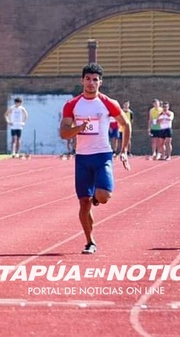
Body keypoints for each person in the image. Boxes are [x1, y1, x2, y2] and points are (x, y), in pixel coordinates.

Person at [59, 63, 131, 255]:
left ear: (101, 82)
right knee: (84, 203)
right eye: (88, 79)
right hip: (82, 158)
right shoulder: (72, 105)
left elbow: (126, 124)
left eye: (95, 80)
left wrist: (123, 150)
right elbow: (64, 133)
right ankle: (90, 241)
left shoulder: (108, 103)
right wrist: (78, 129)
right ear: (82, 81)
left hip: (102, 155)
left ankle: (97, 198)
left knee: (103, 197)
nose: (91, 83)